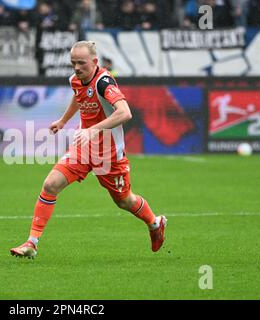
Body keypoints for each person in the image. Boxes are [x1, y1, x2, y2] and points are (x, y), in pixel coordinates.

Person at [10, 41, 167, 259]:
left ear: (94, 62)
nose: (76, 67)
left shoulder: (104, 82)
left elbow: (125, 113)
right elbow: (79, 95)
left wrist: (92, 129)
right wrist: (64, 121)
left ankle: (154, 223)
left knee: (124, 200)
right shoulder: (75, 79)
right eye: (73, 63)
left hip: (109, 154)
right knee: (50, 184)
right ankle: (31, 243)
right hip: (84, 147)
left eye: (81, 63)